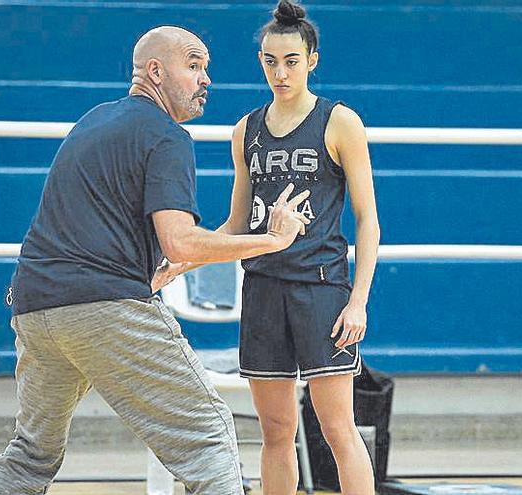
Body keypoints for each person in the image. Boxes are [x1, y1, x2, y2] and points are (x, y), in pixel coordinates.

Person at [0, 25, 310, 495]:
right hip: (103, 306)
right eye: (194, 66)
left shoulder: (93, 120)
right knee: (209, 435)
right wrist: (271, 240)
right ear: (155, 72)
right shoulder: (167, 136)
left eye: (207, 69)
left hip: (34, 307)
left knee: (32, 452)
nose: (206, 79)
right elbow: (179, 241)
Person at [170, 1, 382, 493]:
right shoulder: (247, 129)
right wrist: (179, 260)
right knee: (276, 431)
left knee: (337, 428)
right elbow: (236, 222)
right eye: (270, 61)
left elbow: (368, 220)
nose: (280, 72)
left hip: (322, 289)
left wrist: (359, 301)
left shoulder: (339, 122)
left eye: (290, 61)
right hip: (263, 288)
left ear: (312, 60)